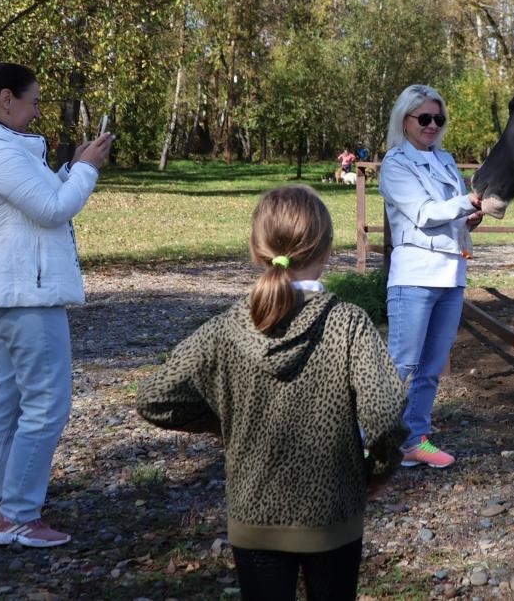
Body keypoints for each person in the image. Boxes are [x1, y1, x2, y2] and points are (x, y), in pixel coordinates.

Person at [137, 185, 406, 601]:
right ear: (328, 249)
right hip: (332, 511)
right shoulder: (348, 323)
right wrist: (378, 471)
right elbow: (385, 413)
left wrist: (225, 421)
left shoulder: (227, 328)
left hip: (253, 514)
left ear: (255, 248)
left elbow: (155, 396)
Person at [0, 62, 112, 547]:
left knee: (12, 401)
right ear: (5, 99)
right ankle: (17, 515)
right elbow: (53, 210)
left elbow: (40, 196)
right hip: (26, 291)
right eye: (34, 100)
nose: (39, 110)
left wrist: (70, 167)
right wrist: (86, 170)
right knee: (47, 404)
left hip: (15, 288)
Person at [380, 84, 482, 469]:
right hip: (416, 273)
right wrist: (467, 202)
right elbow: (422, 213)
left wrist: (471, 216)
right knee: (402, 362)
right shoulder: (396, 164)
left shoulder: (446, 160)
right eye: (424, 118)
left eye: (438, 119)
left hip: (451, 271)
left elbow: (450, 212)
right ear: (404, 121)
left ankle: (413, 439)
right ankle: (365, 437)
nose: (432, 125)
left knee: (432, 365)